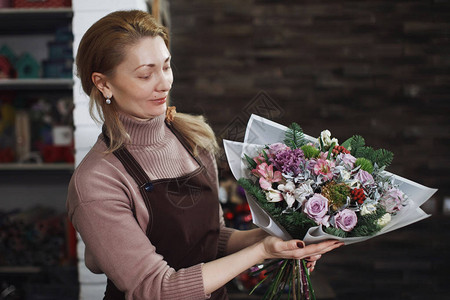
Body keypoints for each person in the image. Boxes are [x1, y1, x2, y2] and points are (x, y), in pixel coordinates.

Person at [66, 10, 344, 300]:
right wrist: (261, 251)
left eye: (166, 66)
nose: (164, 83)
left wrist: (285, 239)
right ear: (103, 83)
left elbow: (212, 238)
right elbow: (157, 289)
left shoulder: (191, 139)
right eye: (146, 74)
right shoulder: (97, 181)